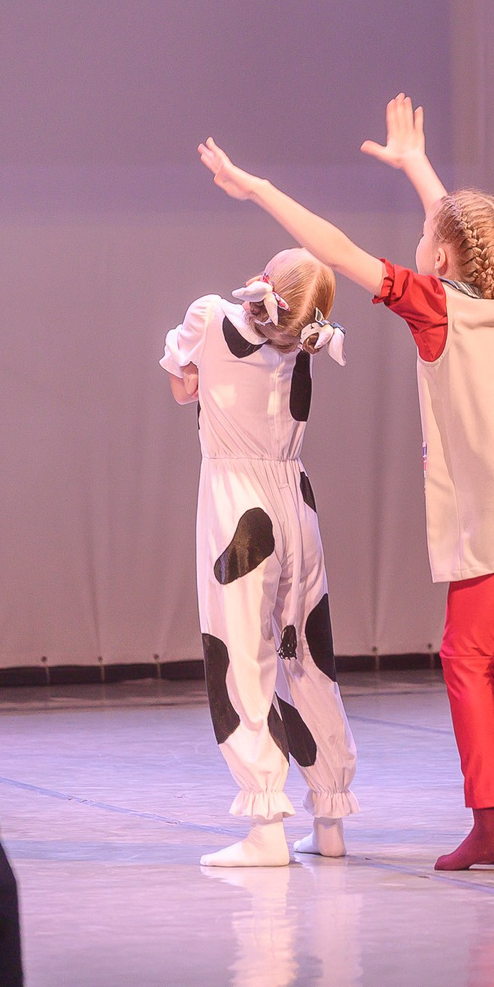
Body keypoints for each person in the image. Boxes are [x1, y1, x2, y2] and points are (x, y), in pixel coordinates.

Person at [197, 94, 494, 870]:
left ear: (441, 259)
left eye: (427, 239)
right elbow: (466, 235)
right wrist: (416, 164)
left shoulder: (436, 307)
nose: (420, 245)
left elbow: (337, 247)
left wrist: (257, 189)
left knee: (465, 657)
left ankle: (490, 820)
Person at [161, 249, 359, 867]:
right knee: (309, 656)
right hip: (296, 501)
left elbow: (181, 385)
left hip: (238, 505)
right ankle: (330, 819)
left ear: (266, 281)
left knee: (242, 652)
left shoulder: (210, 314)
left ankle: (266, 828)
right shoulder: (305, 340)